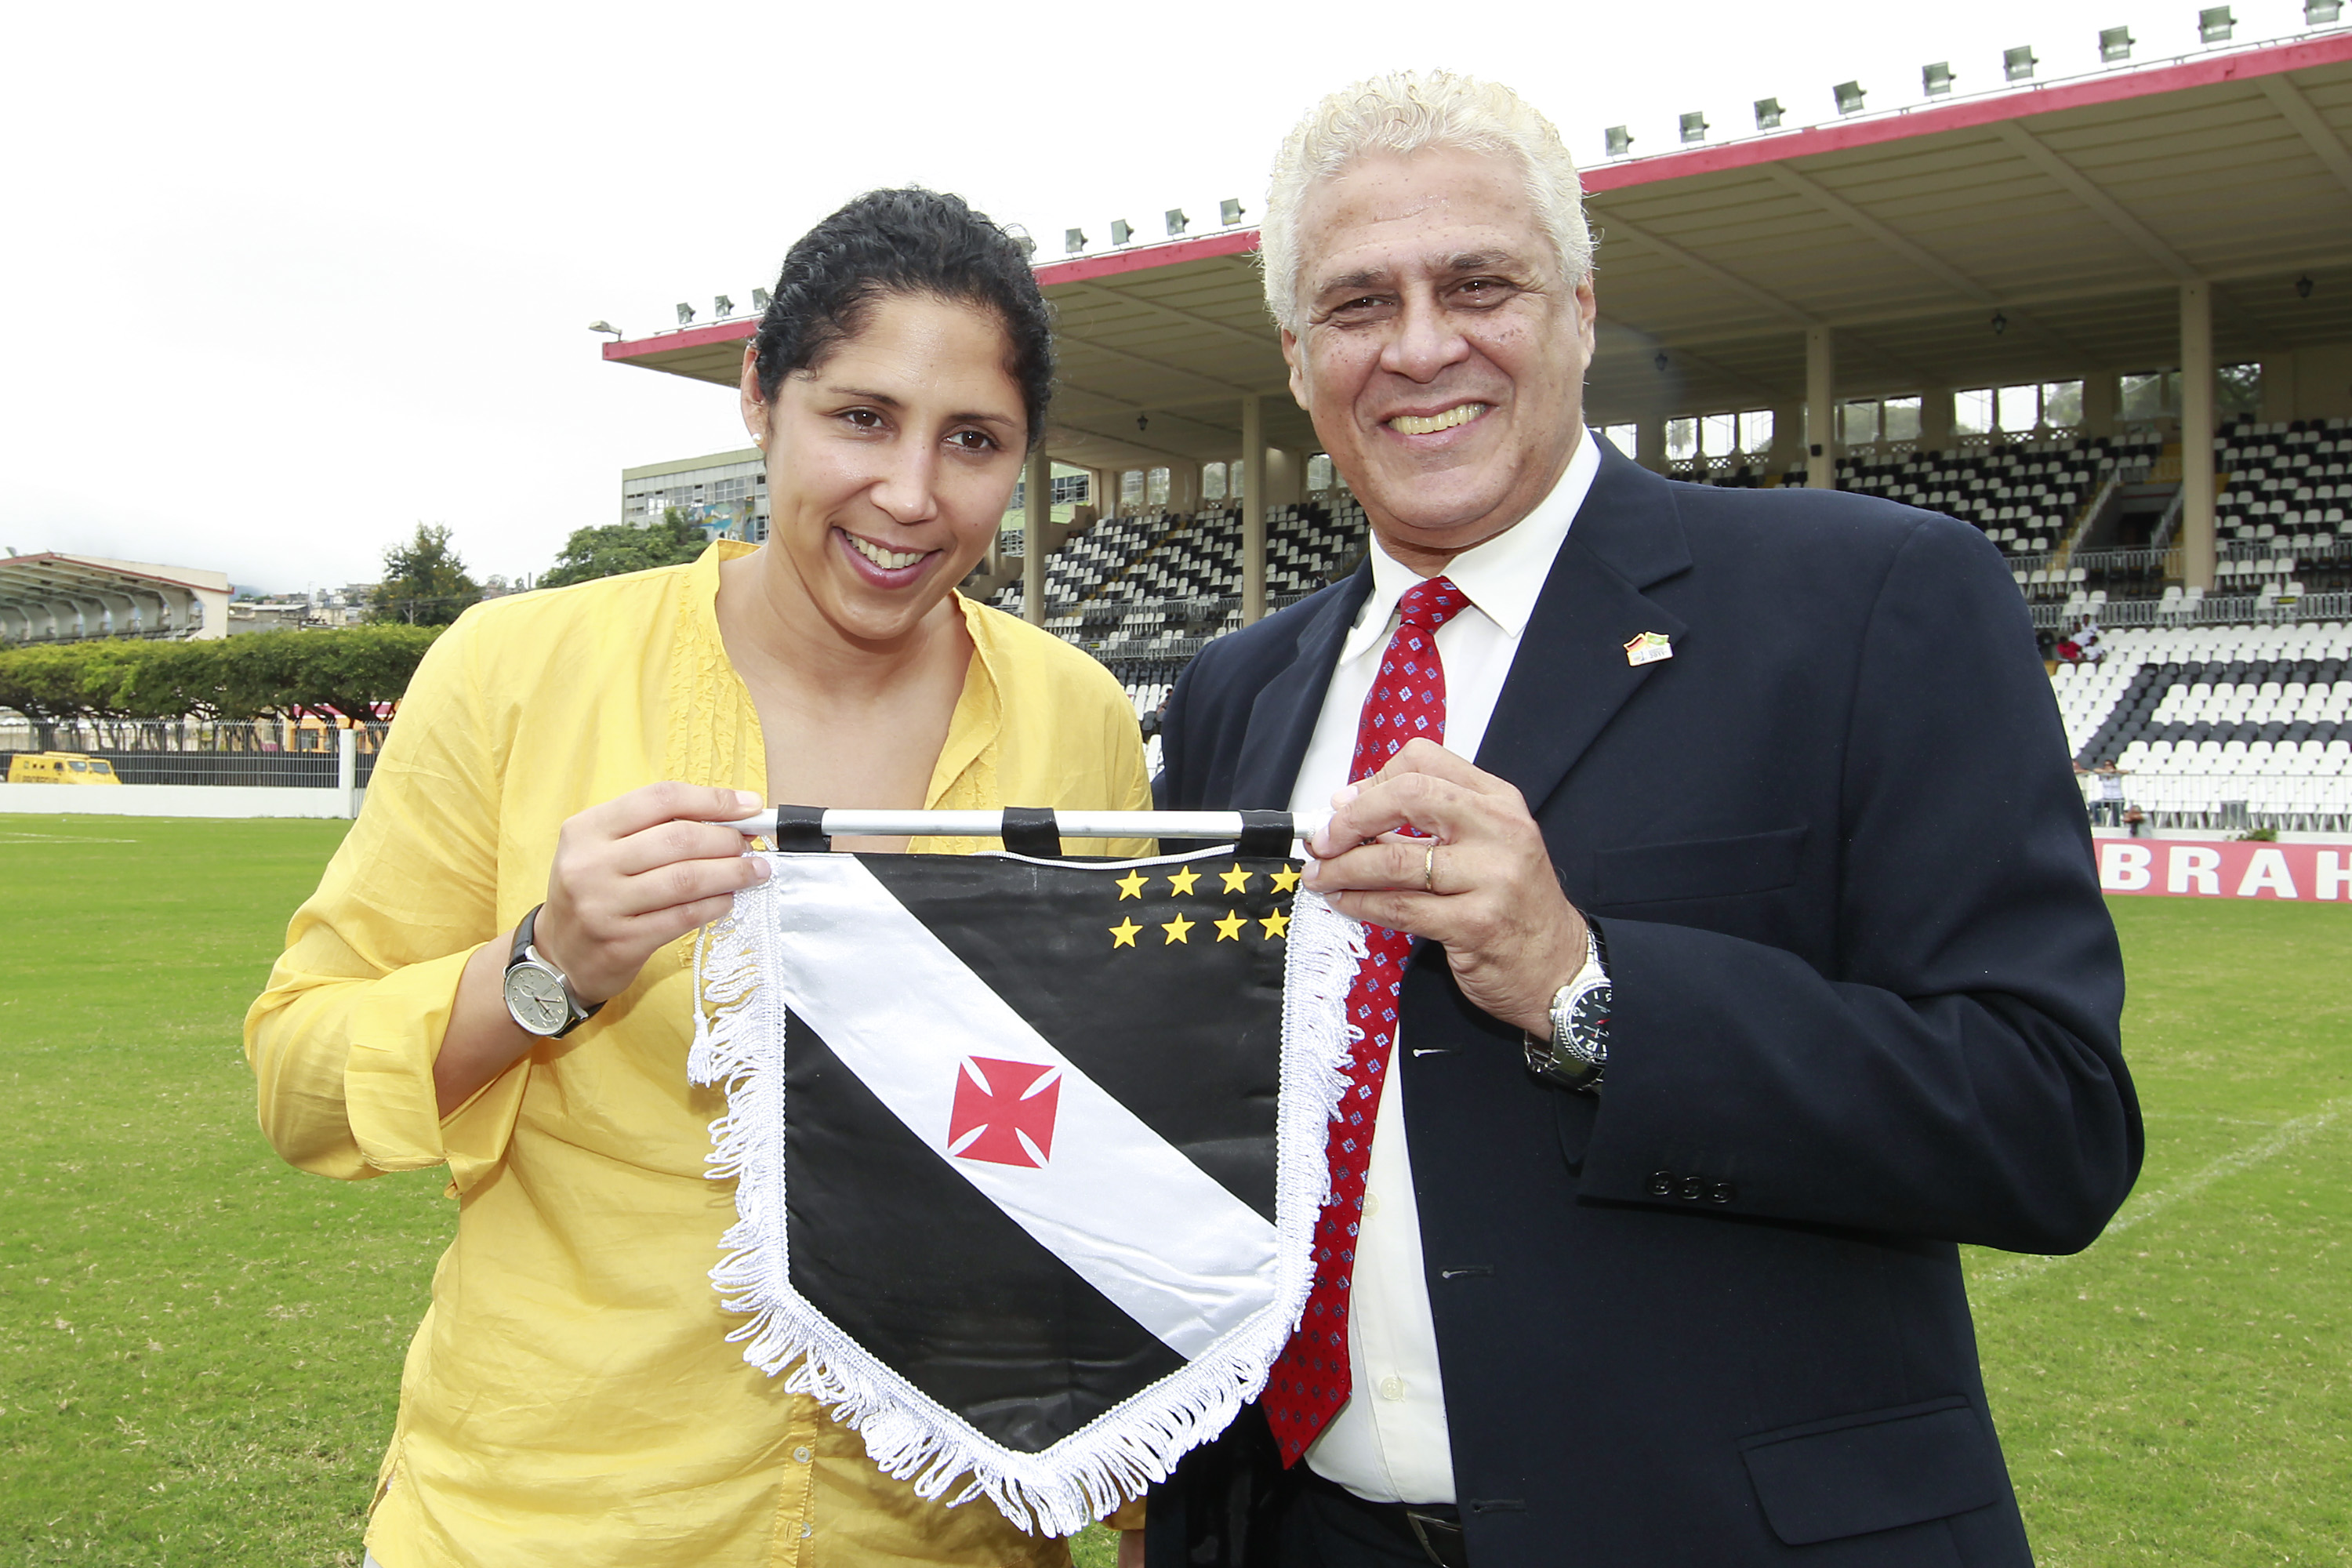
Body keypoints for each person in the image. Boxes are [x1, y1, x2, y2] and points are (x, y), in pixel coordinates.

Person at [1147, 72, 2137, 1568]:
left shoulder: (1872, 600)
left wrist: (1587, 987)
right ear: (1298, 357)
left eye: (1480, 284)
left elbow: (2051, 1124)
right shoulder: (1235, 691)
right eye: (1360, 304)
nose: (1423, 347)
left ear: (1583, 310)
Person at [245, 189, 1152, 1568]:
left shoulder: (1077, 721)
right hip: (553, 1521)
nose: (911, 494)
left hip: (934, 1534)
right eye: (861, 417)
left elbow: (1110, 1153)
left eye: (973, 441)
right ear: (758, 398)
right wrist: (545, 965)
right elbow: (301, 1084)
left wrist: (1132, 1505)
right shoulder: (514, 669)